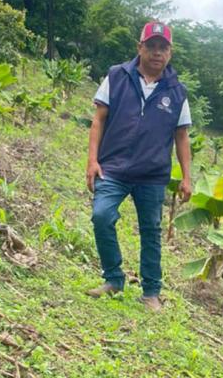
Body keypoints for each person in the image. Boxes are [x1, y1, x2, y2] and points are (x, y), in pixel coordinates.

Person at [85, 21, 192, 312]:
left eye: (163, 48)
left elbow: (181, 136)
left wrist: (186, 177)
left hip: (153, 175)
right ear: (140, 47)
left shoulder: (177, 92)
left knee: (150, 231)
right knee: (101, 216)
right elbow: (99, 119)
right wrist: (92, 161)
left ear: (170, 53)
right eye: (152, 46)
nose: (157, 53)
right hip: (114, 168)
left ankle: (151, 293)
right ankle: (114, 278)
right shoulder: (116, 76)